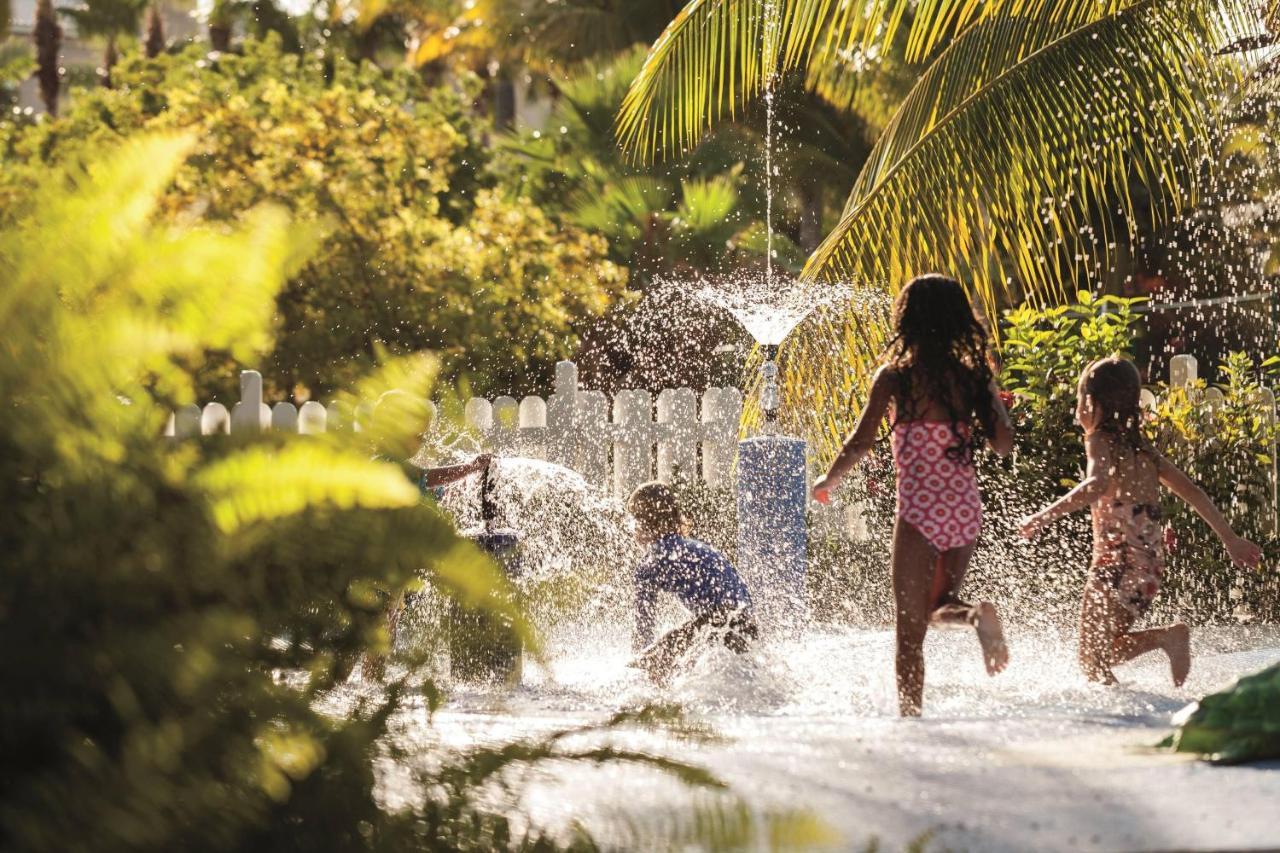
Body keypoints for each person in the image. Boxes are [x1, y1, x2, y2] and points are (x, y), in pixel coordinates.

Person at [811, 273, 1015, 717]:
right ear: (959, 321)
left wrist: (829, 480)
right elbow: (1003, 444)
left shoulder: (895, 379)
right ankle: (975, 616)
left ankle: (911, 722)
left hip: (920, 512)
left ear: (908, 322)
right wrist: (992, 402)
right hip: (964, 509)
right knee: (938, 606)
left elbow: (860, 442)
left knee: (909, 634)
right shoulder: (970, 379)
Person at [1019, 356, 1261, 686]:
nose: (1077, 412)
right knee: (1095, 658)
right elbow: (1192, 491)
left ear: (1091, 404)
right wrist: (1229, 538)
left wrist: (1044, 515)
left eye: (1078, 402)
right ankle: (1154, 655)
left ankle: (1166, 639)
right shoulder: (1145, 451)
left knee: (1091, 659)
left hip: (1116, 562)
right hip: (1148, 564)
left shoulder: (1099, 441)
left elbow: (1096, 484)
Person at [628, 482, 757, 685]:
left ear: (642, 524)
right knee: (678, 663)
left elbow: (643, 628)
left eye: (634, 522)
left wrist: (640, 662)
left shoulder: (650, 563)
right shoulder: (697, 548)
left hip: (719, 620)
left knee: (647, 663)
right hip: (747, 624)